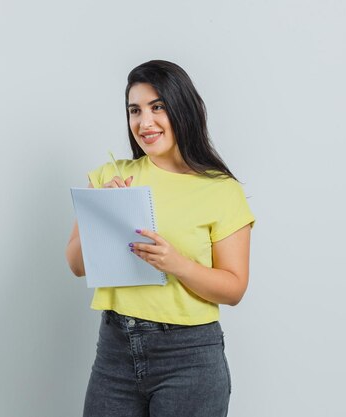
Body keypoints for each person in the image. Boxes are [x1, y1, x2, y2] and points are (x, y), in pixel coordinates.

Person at [65, 60, 255, 417]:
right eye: (135, 110)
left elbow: (234, 289)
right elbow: (75, 264)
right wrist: (102, 211)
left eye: (158, 107)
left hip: (189, 357)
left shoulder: (221, 190)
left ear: (181, 109)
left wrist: (177, 264)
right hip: (115, 350)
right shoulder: (111, 175)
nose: (144, 122)